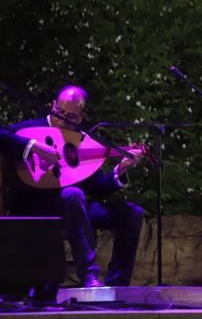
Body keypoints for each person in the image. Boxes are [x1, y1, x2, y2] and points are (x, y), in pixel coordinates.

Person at [4, 86, 145, 288]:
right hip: (36, 206)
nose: (62, 120)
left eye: (70, 116)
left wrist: (119, 170)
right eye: (59, 112)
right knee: (73, 193)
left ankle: (118, 286)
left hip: (75, 208)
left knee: (132, 213)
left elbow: (98, 188)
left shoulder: (80, 141)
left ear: (80, 117)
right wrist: (32, 146)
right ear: (53, 106)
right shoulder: (31, 128)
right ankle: (89, 275)